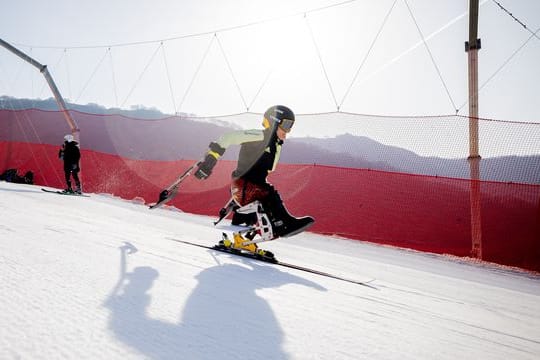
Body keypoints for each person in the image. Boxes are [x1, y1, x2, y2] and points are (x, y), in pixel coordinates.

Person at [194, 105, 314, 253]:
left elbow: (270, 169)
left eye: (291, 126)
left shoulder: (276, 145)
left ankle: (244, 237)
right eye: (287, 125)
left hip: (249, 186)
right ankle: (284, 224)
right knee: (268, 192)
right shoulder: (260, 135)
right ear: (275, 121)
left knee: (264, 195)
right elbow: (228, 137)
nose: (288, 130)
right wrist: (211, 159)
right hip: (245, 184)